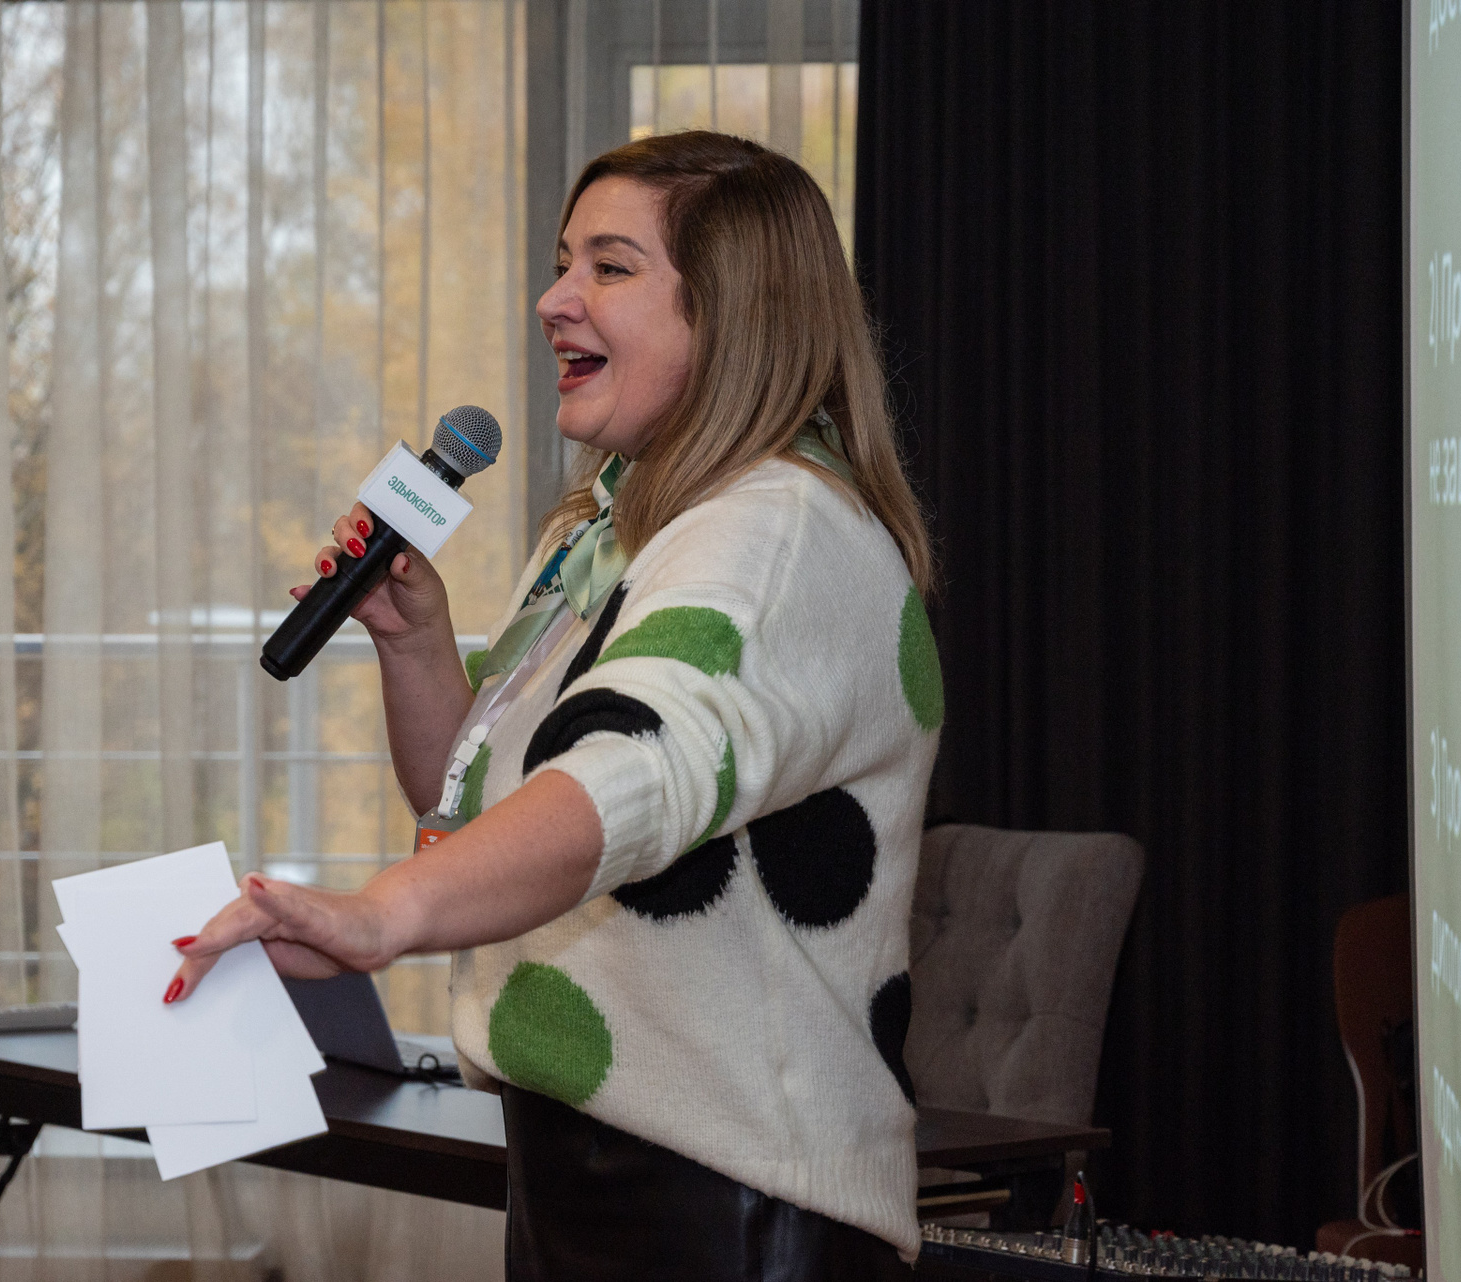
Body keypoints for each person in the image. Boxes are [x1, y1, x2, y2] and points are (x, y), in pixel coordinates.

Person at [170, 131, 940, 1280]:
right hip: (582, 1164)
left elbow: (627, 773)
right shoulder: (606, 530)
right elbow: (493, 802)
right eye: (561, 262)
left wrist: (381, 916)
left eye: (610, 267)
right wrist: (417, 644)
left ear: (737, 313)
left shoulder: (779, 530)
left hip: (734, 1201)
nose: (553, 300)